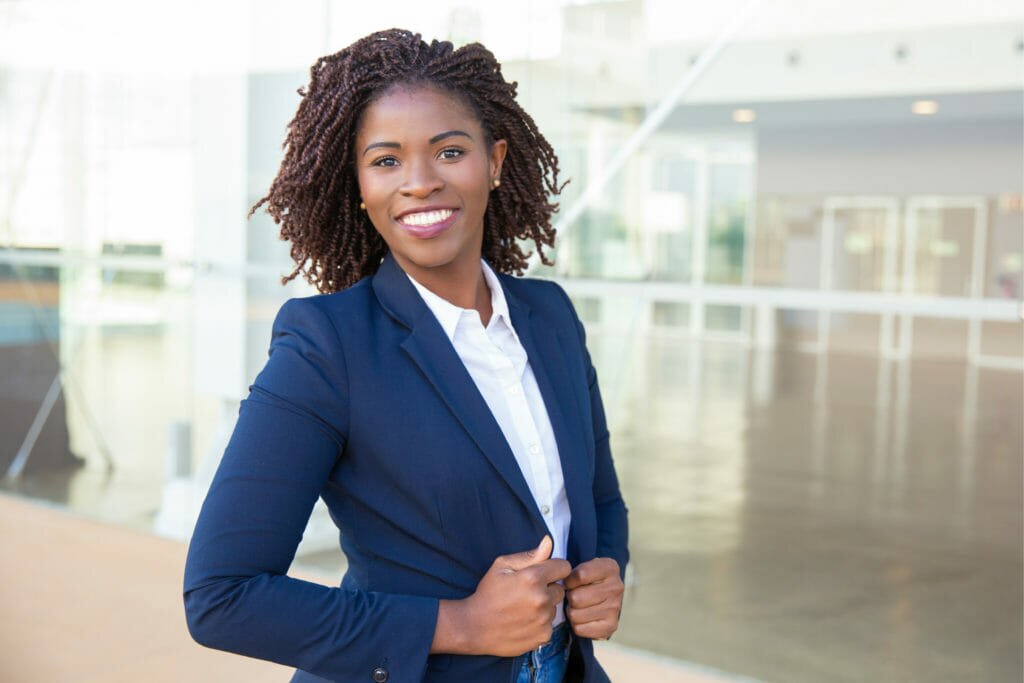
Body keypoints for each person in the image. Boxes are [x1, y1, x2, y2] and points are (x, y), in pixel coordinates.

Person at [183, 29, 628, 683]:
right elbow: (221, 594)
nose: (420, 182)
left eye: (449, 150)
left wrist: (607, 570)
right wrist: (461, 623)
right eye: (386, 161)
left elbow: (599, 498)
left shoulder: (550, 316)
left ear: (495, 161)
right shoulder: (326, 345)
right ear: (359, 185)